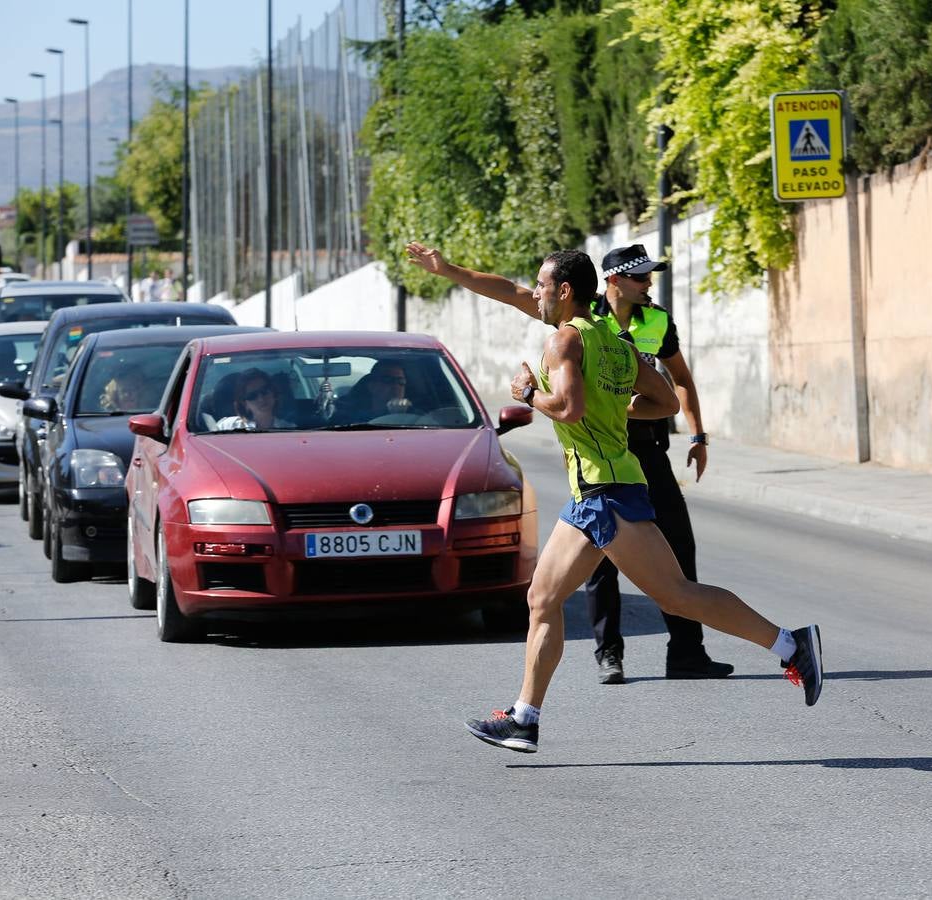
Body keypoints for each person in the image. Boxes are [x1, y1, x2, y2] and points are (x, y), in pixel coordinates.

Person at [406, 245, 823, 754]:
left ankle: (791, 645)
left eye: (542, 285)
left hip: (604, 492)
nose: (534, 294)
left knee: (676, 595)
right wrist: (448, 270)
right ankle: (524, 718)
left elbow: (568, 408)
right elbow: (665, 402)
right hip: (601, 490)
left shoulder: (564, 340)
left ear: (564, 291)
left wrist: (527, 393)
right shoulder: (615, 339)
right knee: (543, 598)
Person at [409, 240, 730, 683]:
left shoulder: (654, 320)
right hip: (602, 456)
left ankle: (689, 652)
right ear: (612, 281)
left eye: (649, 276)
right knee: (596, 567)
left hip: (644, 447)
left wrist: (695, 434)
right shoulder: (576, 312)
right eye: (639, 276)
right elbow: (511, 292)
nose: (647, 284)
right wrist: (449, 270)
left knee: (677, 553)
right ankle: (608, 654)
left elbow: (678, 381)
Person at [333, 358, 411, 423]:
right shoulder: (348, 414)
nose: (396, 386)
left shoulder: (413, 415)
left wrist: (400, 415)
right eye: (388, 381)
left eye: (401, 382)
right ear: (372, 386)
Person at [215, 368, 291, 431]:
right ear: (245, 404)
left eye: (264, 391)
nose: (261, 399)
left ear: (273, 393)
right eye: (252, 396)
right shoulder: (227, 426)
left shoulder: (290, 430)